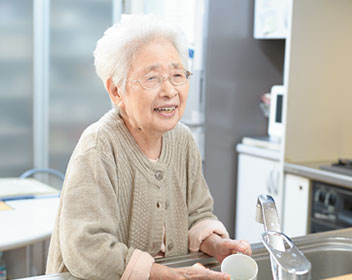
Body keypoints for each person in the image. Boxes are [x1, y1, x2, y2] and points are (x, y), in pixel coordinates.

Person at [46, 14, 251, 280]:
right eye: (152, 78)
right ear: (117, 91)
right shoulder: (99, 146)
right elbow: (86, 247)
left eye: (178, 75)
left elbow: (197, 213)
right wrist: (167, 275)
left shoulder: (183, 140)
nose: (169, 90)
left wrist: (216, 244)